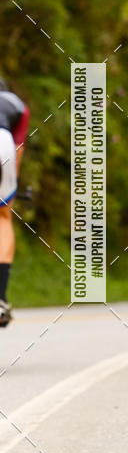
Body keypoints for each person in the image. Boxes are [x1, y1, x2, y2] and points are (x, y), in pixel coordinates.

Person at [0, 77, 30, 327]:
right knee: (2, 217)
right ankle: (0, 298)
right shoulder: (18, 106)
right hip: (3, 145)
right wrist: (13, 187)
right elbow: (18, 149)